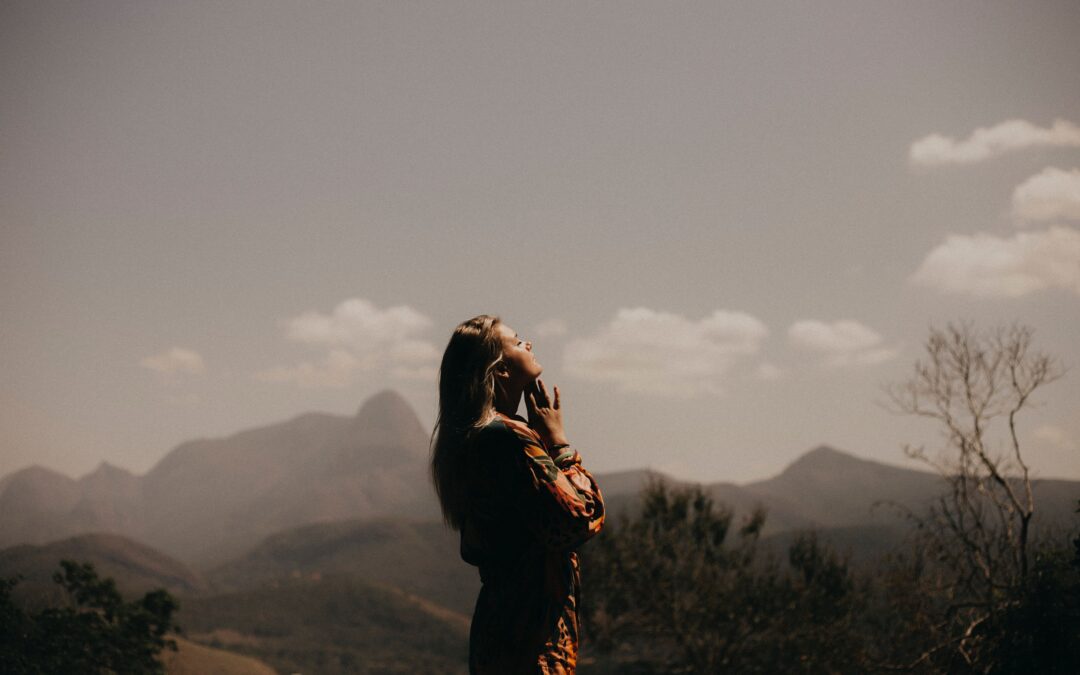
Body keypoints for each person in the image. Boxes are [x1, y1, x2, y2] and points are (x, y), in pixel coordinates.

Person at [431, 315, 605, 675]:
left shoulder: (478, 439)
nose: (529, 343)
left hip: (501, 635)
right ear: (500, 369)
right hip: (530, 640)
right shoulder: (507, 438)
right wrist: (559, 445)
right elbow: (580, 518)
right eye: (517, 341)